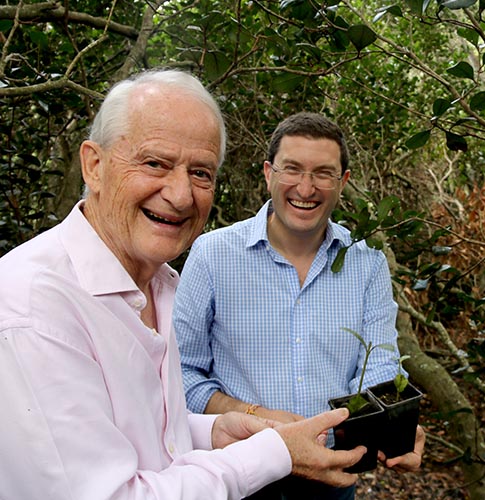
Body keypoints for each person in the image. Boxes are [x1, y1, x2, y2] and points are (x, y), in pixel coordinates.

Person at [0, 73, 369, 499]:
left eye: (200, 173)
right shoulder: (34, 309)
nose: (180, 195)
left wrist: (215, 431)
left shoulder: (158, 283)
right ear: (94, 166)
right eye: (154, 162)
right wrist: (271, 453)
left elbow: (143, 434)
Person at [174, 112, 425, 499]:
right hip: (237, 472)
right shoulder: (212, 254)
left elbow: (379, 365)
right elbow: (181, 372)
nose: (306, 188)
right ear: (268, 173)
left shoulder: (367, 261)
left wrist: (393, 422)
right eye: (292, 169)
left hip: (332, 477)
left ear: (342, 182)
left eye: (323, 173)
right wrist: (256, 416)